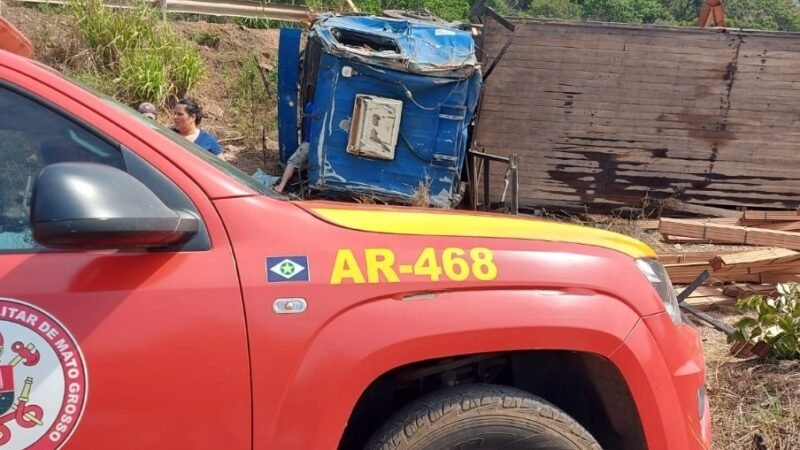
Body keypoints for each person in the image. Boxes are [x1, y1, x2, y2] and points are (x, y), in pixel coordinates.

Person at [274, 101, 314, 193]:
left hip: (309, 142)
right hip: (320, 145)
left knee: (292, 162)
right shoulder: (326, 107)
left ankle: (280, 186)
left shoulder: (309, 105)